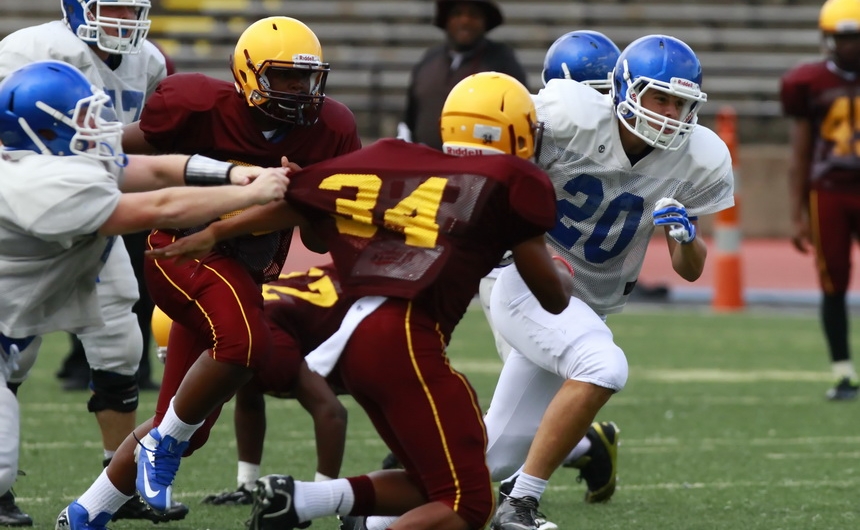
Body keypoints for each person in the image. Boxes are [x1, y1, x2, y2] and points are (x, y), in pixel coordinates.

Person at [185, 70, 573, 530]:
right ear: (515, 131)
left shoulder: (408, 163)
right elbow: (552, 299)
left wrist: (213, 229)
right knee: (469, 506)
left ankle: (303, 500)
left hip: (356, 333)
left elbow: (306, 197)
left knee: (431, 484)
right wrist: (563, 271)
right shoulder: (514, 181)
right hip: (406, 338)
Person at [55, 15, 361, 530]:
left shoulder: (331, 129)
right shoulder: (200, 105)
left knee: (186, 425)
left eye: (305, 79)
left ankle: (86, 513)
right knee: (248, 346)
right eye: (283, 77)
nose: (297, 90)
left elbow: (318, 239)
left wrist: (314, 196)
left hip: (240, 273)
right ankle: (159, 448)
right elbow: (124, 148)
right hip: (182, 251)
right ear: (247, 75)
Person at [0, 58, 289, 526]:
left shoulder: (53, 162)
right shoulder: (43, 187)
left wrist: (233, 174)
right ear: (38, 132)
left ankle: (90, 510)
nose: (100, 128)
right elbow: (161, 202)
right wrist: (249, 194)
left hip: (13, 331)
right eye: (81, 119)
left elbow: (155, 171)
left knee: (180, 409)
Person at [485, 34, 735, 530]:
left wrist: (684, 237)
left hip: (589, 301)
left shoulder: (697, 156)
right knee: (604, 364)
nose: (670, 112)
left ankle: (358, 511)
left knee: (489, 457)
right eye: (659, 97)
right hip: (529, 278)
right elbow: (495, 167)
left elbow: (691, 268)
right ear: (622, 90)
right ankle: (520, 506)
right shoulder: (565, 118)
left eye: (682, 102)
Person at [0, 1, 188, 524]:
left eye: (133, 8)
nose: (124, 19)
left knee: (120, 345)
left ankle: (117, 481)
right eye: (113, 7)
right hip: (35, 216)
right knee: (16, 348)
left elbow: (138, 146)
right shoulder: (29, 49)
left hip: (96, 218)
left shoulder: (148, 60)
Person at [780, 0, 860, 401]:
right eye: (845, 38)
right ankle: (844, 372)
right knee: (834, 283)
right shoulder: (808, 82)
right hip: (828, 190)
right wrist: (795, 214)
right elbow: (800, 152)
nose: (852, 46)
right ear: (829, 39)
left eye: (857, 37)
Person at [398, 0, 528, 148]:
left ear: (485, 21)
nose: (465, 21)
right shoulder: (430, 59)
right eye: (457, 14)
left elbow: (519, 115)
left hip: (479, 163)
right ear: (446, 20)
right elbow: (410, 115)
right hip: (425, 162)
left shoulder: (502, 60)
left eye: (474, 15)